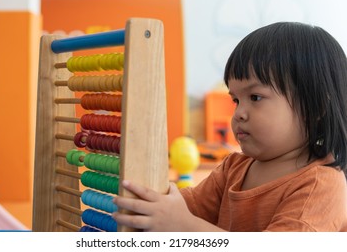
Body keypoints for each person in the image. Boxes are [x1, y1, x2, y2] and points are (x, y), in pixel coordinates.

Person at [112, 22, 347, 232]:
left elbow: (185, 221)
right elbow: (188, 207)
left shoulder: (321, 185)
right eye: (236, 100)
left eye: (255, 97)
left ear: (317, 108)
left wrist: (185, 225)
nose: (238, 114)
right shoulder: (234, 168)